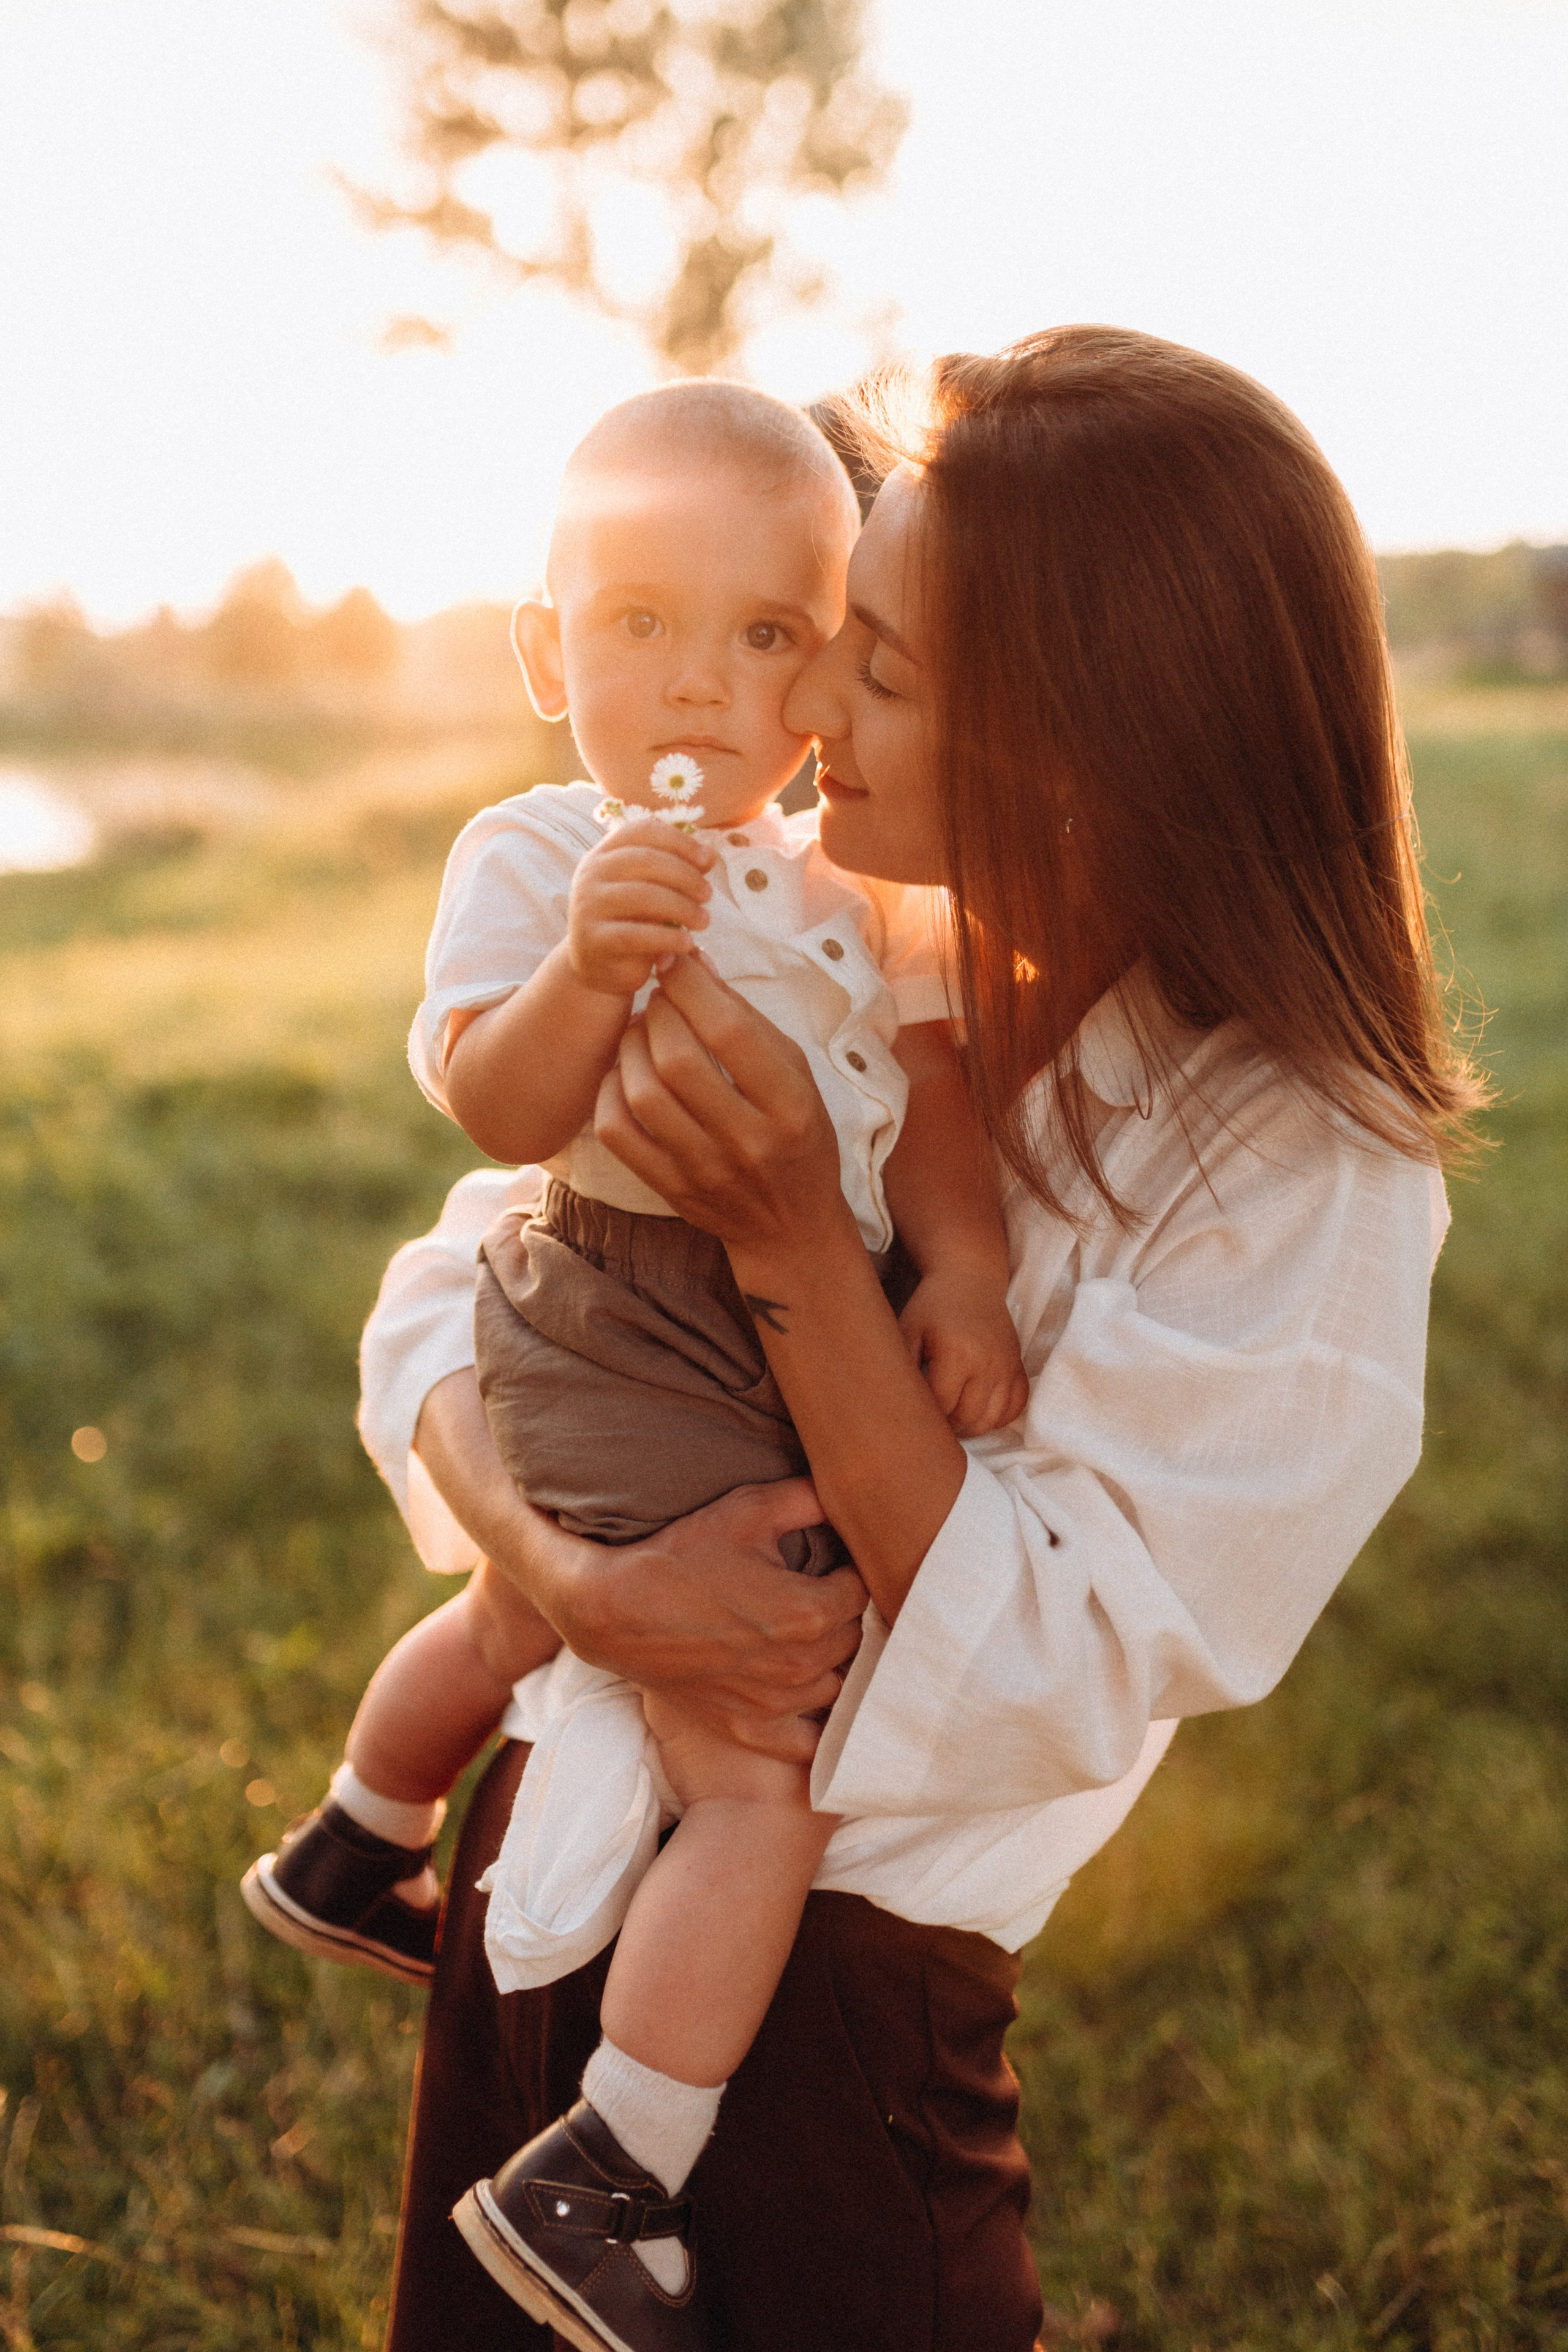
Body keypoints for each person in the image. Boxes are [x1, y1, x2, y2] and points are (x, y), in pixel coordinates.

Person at [363, 326, 1482, 2352]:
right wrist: (571, 1581)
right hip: (549, 1854)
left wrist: (799, 1227)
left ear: (1091, 724)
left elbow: (1039, 1657)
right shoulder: (833, 939)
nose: (799, 709)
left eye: (867, 662)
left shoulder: (1297, 1166)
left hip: (837, 2002)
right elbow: (470, 1275)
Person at [243, 383, 1028, 2342]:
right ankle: (609, 2167)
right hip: (609, 1307)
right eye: (642, 628)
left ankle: (355, 1842)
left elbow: (930, 1103)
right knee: (752, 1778)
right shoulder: (531, 855)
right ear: (545, 654)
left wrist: (974, 1275)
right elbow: (498, 1111)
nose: (700, 688)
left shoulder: (869, 897)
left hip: (783, 1328)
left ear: (831, 674)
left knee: (527, 1609)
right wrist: (593, 966)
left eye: (768, 638)